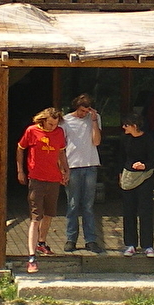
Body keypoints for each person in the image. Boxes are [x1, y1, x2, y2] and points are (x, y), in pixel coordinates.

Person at [16, 107, 68, 274]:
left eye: (55, 124)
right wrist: (20, 170)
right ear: (43, 120)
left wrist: (65, 170)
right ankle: (31, 257)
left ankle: (42, 242)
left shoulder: (59, 132)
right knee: (35, 217)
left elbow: (61, 153)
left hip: (53, 178)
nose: (53, 127)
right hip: (36, 179)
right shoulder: (32, 131)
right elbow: (20, 148)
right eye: (50, 123)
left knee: (50, 214)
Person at [59, 93, 102, 252]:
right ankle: (71, 238)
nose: (84, 114)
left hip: (90, 164)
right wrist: (63, 169)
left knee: (88, 205)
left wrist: (93, 120)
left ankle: (90, 239)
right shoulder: (65, 121)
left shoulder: (94, 118)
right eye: (82, 111)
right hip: (72, 165)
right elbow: (60, 147)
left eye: (87, 111)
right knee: (72, 204)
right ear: (76, 107)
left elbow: (96, 141)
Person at [118, 114, 154, 257]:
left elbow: (153, 160)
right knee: (129, 211)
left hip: (145, 177)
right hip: (128, 177)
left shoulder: (148, 139)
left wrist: (144, 166)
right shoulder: (124, 139)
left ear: (135, 126)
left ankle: (148, 245)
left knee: (145, 211)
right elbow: (120, 158)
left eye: (127, 125)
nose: (124, 127)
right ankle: (130, 244)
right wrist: (120, 175)